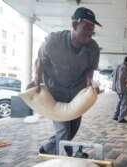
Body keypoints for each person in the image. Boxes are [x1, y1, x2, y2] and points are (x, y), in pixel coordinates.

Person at [28, 7, 101, 156]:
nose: (90, 34)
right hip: (56, 89)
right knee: (63, 129)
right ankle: (66, 160)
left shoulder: (93, 48)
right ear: (74, 26)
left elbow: (90, 68)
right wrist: (36, 77)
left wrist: (89, 82)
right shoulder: (54, 41)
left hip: (76, 91)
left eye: (92, 30)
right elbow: (40, 59)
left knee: (73, 128)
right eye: (86, 28)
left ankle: (48, 148)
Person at [112, 56, 127, 123]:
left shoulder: (117, 66)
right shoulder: (124, 67)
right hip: (121, 88)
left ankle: (116, 116)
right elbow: (122, 78)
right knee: (124, 103)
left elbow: (112, 75)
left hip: (116, 87)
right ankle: (121, 118)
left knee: (119, 101)